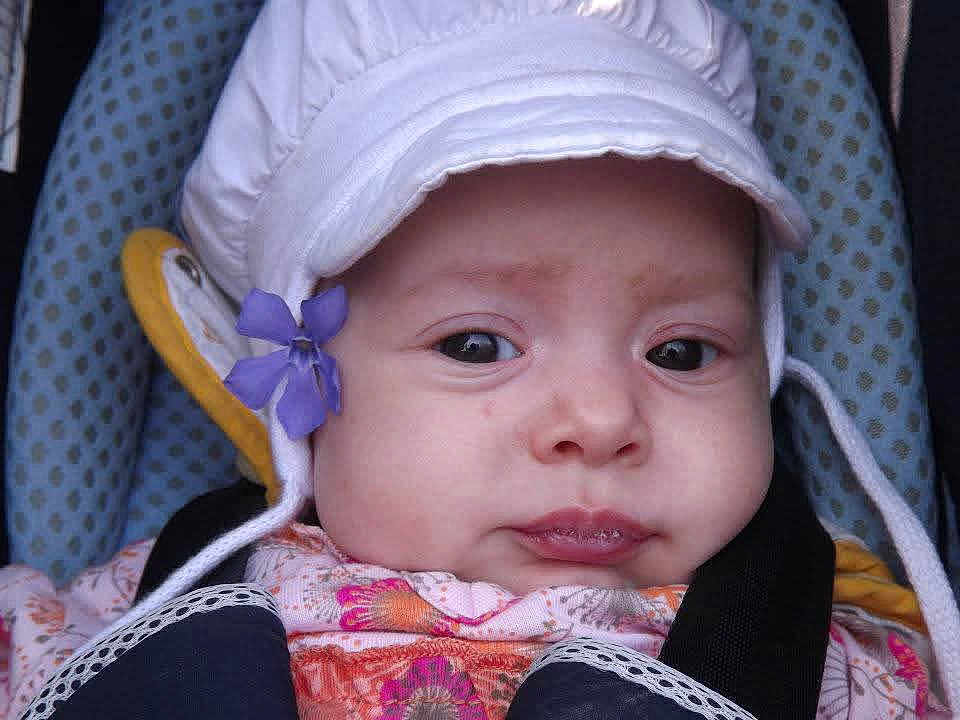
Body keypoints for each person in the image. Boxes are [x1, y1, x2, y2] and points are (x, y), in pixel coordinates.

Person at [2, 1, 958, 718]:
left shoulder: (827, 653)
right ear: (305, 392)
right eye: (476, 344)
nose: (601, 420)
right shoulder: (163, 593)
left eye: (682, 350)